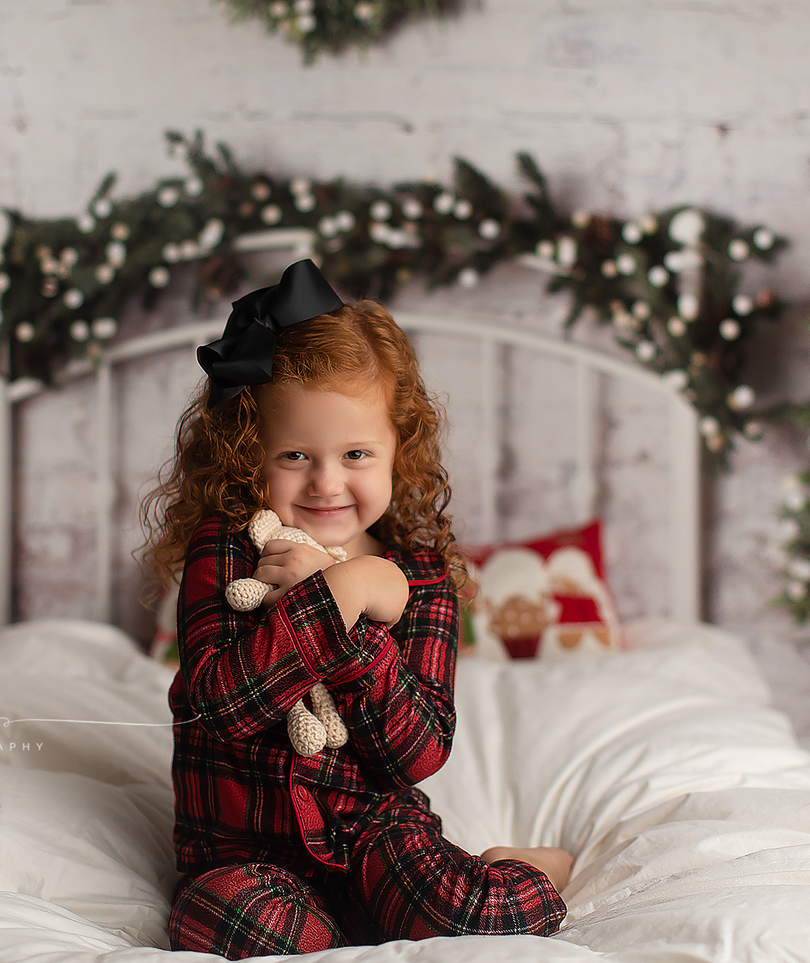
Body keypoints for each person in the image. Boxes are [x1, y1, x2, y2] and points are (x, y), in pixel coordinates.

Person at [142, 260, 572, 959]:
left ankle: (525, 866)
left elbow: (417, 750)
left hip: (374, 832)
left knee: (473, 920)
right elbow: (222, 702)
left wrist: (369, 598)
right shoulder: (225, 548)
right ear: (250, 451)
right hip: (242, 848)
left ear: (398, 449)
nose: (326, 481)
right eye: (294, 454)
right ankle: (344, 938)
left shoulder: (420, 578)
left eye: (355, 452)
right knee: (225, 919)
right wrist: (339, 593)